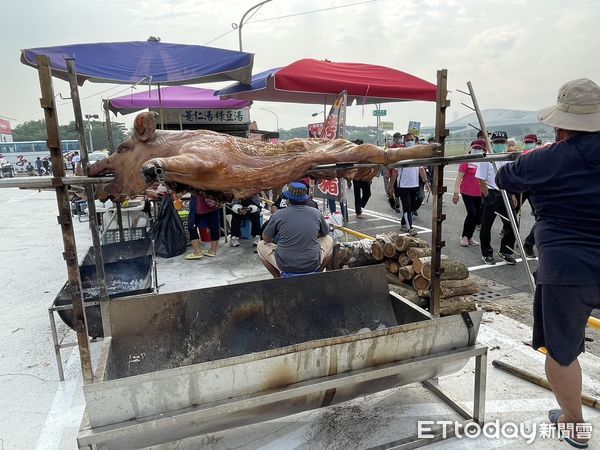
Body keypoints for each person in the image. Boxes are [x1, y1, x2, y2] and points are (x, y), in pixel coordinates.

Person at [496, 78, 600, 449]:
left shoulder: (550, 157)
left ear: (561, 123)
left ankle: (573, 422)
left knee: (562, 349)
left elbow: (504, 176)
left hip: (566, 268)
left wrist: (532, 156)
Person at [257, 182, 333, 278]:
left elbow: (266, 238)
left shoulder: (278, 214)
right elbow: (325, 232)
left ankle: (277, 277)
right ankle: (319, 272)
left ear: (288, 200)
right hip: (312, 263)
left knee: (261, 245)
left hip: (286, 265)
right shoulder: (316, 213)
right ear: (305, 199)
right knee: (329, 239)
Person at [476, 130, 517, 265]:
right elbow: (481, 180)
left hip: (506, 192)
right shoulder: (487, 158)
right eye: (497, 142)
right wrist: (487, 197)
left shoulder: (507, 157)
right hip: (492, 192)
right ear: (492, 143)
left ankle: (505, 251)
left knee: (513, 224)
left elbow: (510, 178)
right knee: (487, 225)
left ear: (506, 143)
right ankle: (486, 253)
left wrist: (512, 194)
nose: (500, 144)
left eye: (502, 142)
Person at [389, 134, 429, 236]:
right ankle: (409, 228)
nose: (410, 141)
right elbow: (394, 172)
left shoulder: (417, 155)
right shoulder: (401, 155)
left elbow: (421, 169)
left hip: (414, 185)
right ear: (404, 141)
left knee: (414, 204)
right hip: (403, 186)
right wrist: (391, 186)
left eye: (412, 139)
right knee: (407, 207)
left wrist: (426, 182)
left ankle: (404, 222)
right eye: (408, 140)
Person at [452, 139, 484, 247]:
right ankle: (464, 236)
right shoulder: (466, 161)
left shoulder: (486, 161)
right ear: (471, 148)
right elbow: (458, 179)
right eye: (475, 148)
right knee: (472, 213)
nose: (477, 150)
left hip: (480, 193)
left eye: (479, 148)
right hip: (467, 192)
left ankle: (470, 236)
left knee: (477, 216)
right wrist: (456, 193)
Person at [185, 194, 221, 259]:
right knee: (214, 225)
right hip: (213, 199)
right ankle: (212, 251)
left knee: (192, 225)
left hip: (199, 200)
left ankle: (197, 252)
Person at [347, 139, 372, 217]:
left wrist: (370, 177)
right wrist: (348, 180)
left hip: (365, 177)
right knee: (357, 195)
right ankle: (358, 211)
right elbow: (349, 168)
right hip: (356, 177)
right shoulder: (352, 156)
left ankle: (359, 206)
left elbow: (370, 167)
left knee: (367, 194)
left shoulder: (366, 154)